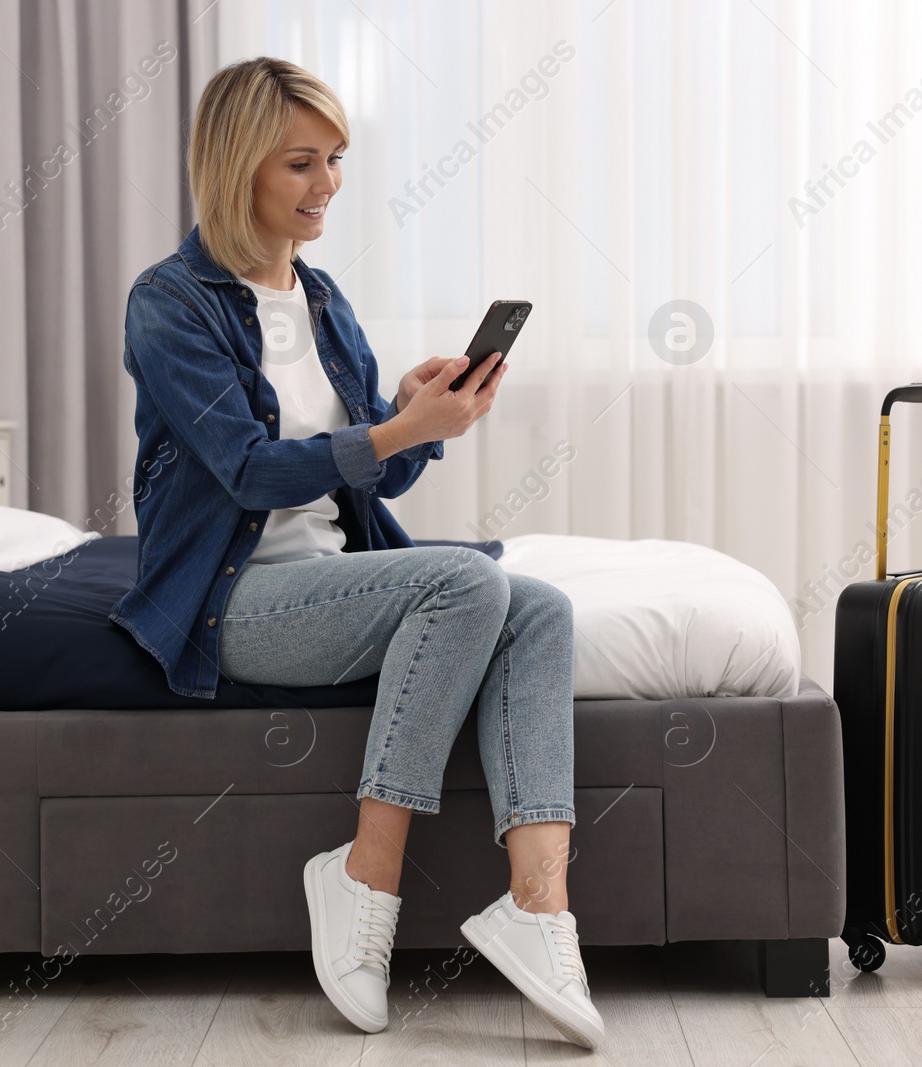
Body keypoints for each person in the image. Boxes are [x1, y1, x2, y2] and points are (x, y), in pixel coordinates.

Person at [110, 56, 603, 1049]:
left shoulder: (323, 299)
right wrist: (387, 430)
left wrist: (415, 423)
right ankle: (362, 875)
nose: (328, 183)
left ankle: (538, 908)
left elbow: (365, 481)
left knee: (538, 605)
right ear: (236, 165)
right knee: (467, 578)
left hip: (335, 583)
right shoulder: (170, 301)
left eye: (335, 158)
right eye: (301, 162)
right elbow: (248, 471)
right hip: (234, 599)